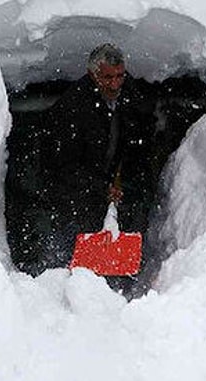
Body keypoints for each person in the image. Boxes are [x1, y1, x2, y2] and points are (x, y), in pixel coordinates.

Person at [40, 43, 157, 273]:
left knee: (113, 243)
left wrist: (128, 171)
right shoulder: (72, 108)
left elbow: (142, 128)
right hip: (72, 195)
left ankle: (115, 285)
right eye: (108, 77)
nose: (115, 83)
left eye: (120, 76)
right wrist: (101, 186)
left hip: (109, 185)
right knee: (72, 257)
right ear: (92, 74)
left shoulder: (128, 93)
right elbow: (63, 165)